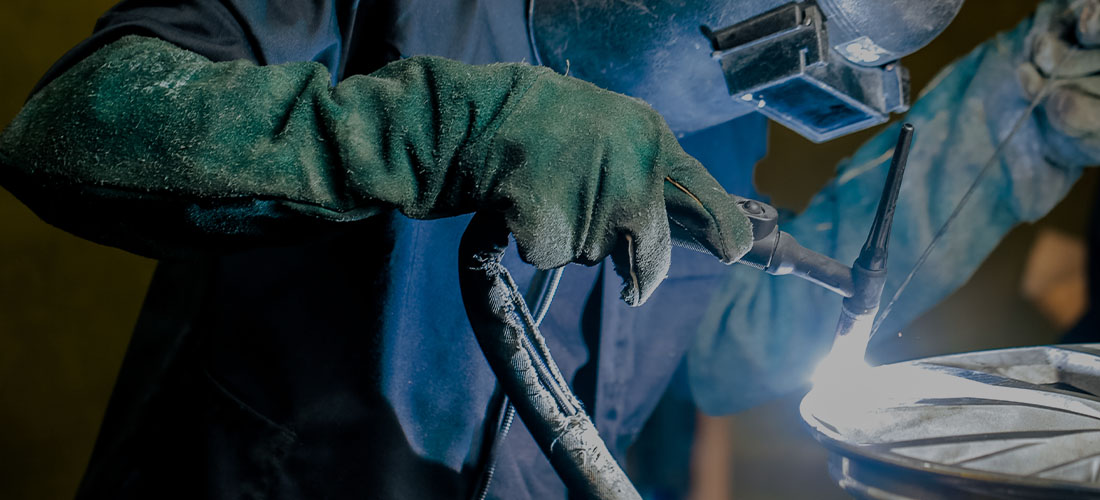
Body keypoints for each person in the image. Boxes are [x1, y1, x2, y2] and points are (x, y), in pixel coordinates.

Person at [0, 0, 1098, 498]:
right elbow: (73, 127)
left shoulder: (720, 109)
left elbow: (727, 349)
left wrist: (1013, 114)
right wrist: (445, 130)